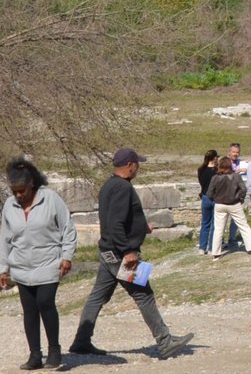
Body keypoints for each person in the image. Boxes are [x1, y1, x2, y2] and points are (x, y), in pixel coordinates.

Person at [68, 149, 194, 361]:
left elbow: (115, 218)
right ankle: (165, 341)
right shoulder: (122, 188)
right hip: (119, 254)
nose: (138, 167)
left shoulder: (109, 185)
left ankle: (81, 341)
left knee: (97, 297)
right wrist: (128, 251)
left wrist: (139, 227)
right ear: (129, 165)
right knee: (143, 294)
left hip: (108, 251)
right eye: (137, 163)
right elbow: (116, 223)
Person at [1, 158, 75, 371]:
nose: (18, 195)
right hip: (22, 267)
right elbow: (5, 239)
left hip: (48, 263)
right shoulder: (9, 205)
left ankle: (54, 350)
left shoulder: (51, 199)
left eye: (22, 191)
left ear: (32, 184)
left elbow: (67, 229)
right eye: (15, 191)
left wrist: (67, 256)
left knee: (45, 302)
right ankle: (34, 354)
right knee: (29, 310)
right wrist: (2, 269)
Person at [206, 157, 251, 258]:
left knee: (219, 229)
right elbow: (243, 189)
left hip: (220, 204)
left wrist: (215, 199)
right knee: (243, 226)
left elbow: (209, 193)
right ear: (230, 165)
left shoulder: (215, 178)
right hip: (234, 204)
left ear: (219, 165)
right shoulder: (236, 176)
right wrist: (240, 198)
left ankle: (215, 253)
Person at [196, 150, 218, 256]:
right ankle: (211, 247)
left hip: (204, 197)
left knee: (205, 224)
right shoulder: (216, 171)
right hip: (215, 198)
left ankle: (202, 247)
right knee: (214, 224)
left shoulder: (201, 170)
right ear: (214, 158)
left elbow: (201, 183)